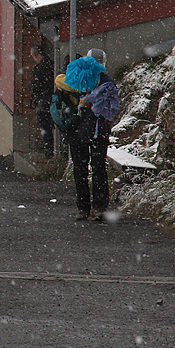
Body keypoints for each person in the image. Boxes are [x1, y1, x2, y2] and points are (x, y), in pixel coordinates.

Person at [67, 49, 120, 221]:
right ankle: (98, 208)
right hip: (97, 131)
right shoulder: (107, 82)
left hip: (79, 129)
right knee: (97, 169)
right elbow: (112, 110)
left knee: (81, 169)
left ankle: (84, 209)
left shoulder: (75, 79)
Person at [28, 45, 55, 157]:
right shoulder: (53, 64)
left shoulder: (39, 68)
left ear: (35, 55)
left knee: (46, 128)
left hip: (44, 102)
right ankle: (55, 150)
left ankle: (49, 151)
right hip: (54, 100)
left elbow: (34, 86)